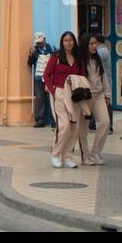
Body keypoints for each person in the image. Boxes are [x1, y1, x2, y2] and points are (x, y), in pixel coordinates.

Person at [42, 31, 86, 169]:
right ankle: (55, 154)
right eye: (66, 40)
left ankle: (67, 157)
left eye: (71, 40)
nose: (68, 42)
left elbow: (83, 75)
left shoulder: (78, 57)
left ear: (74, 42)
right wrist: (53, 90)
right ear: (62, 42)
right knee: (64, 126)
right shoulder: (56, 56)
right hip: (59, 94)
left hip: (74, 95)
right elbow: (46, 75)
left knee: (75, 127)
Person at [80, 34, 111, 164]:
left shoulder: (98, 58)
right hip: (84, 98)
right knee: (83, 128)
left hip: (99, 96)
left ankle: (95, 152)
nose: (94, 46)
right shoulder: (80, 60)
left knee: (105, 122)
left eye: (95, 44)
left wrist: (107, 94)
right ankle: (85, 155)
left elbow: (104, 78)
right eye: (91, 44)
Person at [28, 32, 56, 128]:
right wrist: (31, 55)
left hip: (49, 77)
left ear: (44, 40)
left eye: (40, 42)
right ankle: (40, 119)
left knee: (51, 97)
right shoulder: (34, 50)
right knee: (39, 97)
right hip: (38, 77)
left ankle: (54, 119)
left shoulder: (51, 49)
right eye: (37, 42)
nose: (39, 44)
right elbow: (30, 63)